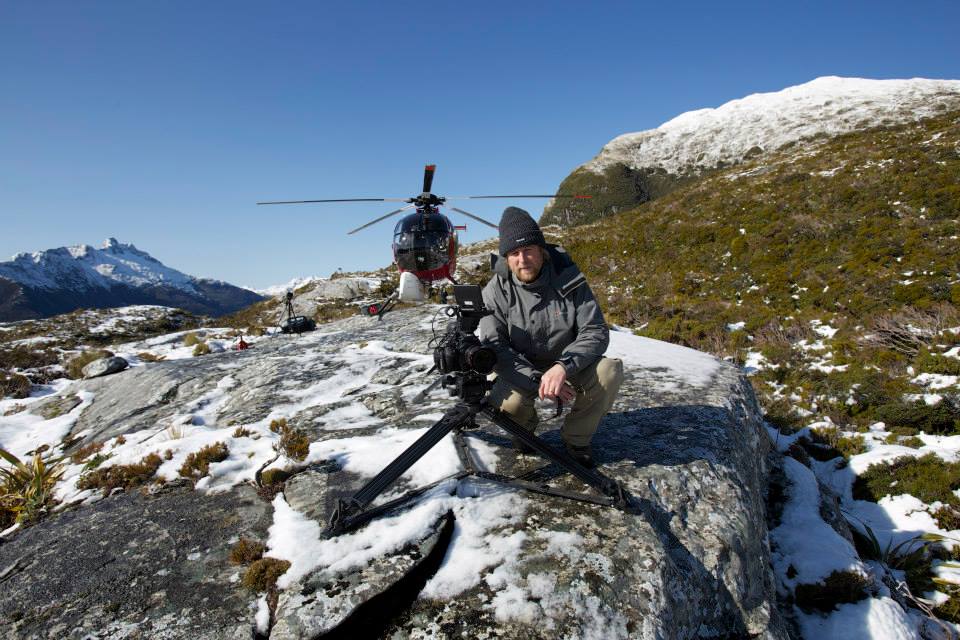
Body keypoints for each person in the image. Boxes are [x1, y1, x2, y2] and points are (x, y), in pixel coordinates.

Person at [479, 207, 623, 467]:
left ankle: (577, 440)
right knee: (506, 401)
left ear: (542, 252)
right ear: (507, 258)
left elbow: (595, 330)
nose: (523, 259)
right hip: (521, 368)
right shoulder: (495, 291)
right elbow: (494, 345)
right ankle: (525, 433)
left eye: (529, 250)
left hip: (567, 363)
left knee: (609, 372)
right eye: (514, 253)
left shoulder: (570, 279)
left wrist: (562, 367)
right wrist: (536, 379)